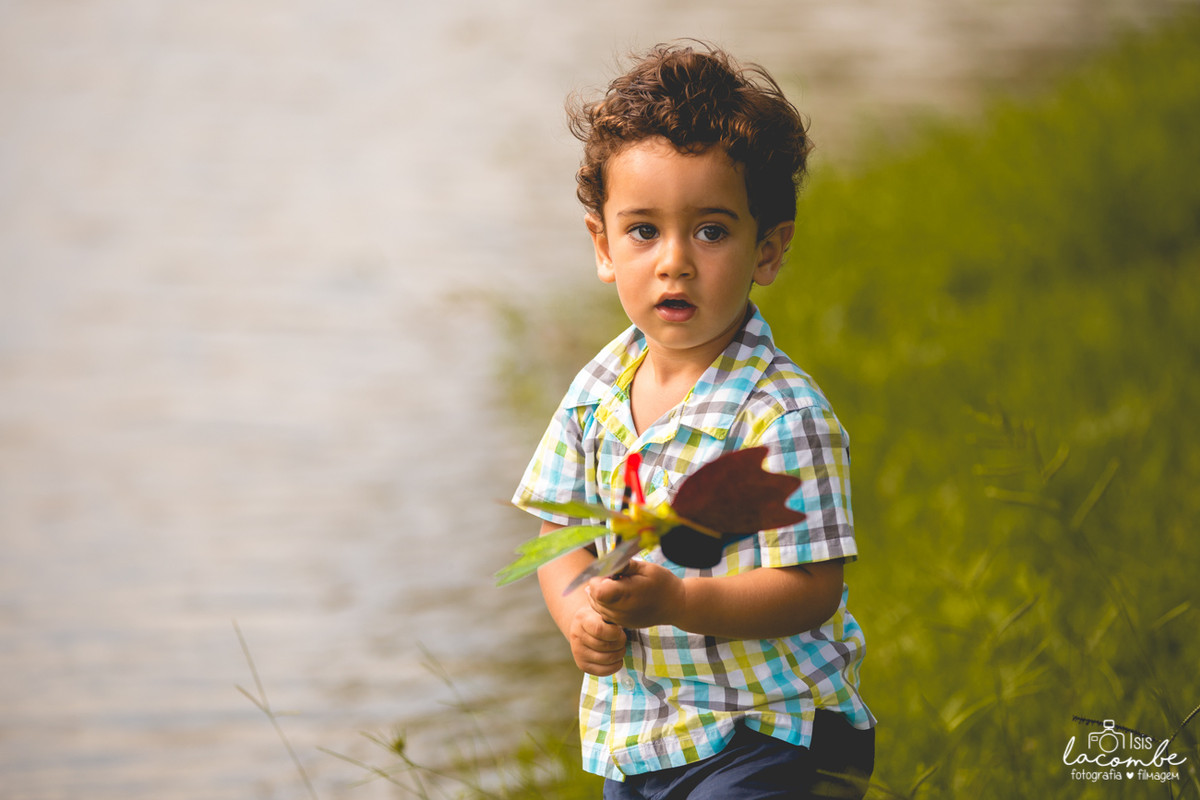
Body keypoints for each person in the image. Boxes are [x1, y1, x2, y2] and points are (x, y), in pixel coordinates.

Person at [512, 41, 875, 799]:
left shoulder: (781, 413)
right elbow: (560, 537)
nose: (673, 261)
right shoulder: (596, 393)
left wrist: (680, 601)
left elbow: (813, 586)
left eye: (710, 231)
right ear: (603, 245)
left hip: (769, 733)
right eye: (644, 231)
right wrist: (577, 608)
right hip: (639, 733)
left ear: (768, 249)